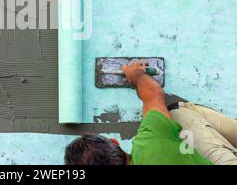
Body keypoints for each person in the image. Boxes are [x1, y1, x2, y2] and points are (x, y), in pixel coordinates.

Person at [64, 61, 237, 165]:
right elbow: (153, 94)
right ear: (114, 142)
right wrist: (136, 74)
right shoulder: (151, 140)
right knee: (177, 115)